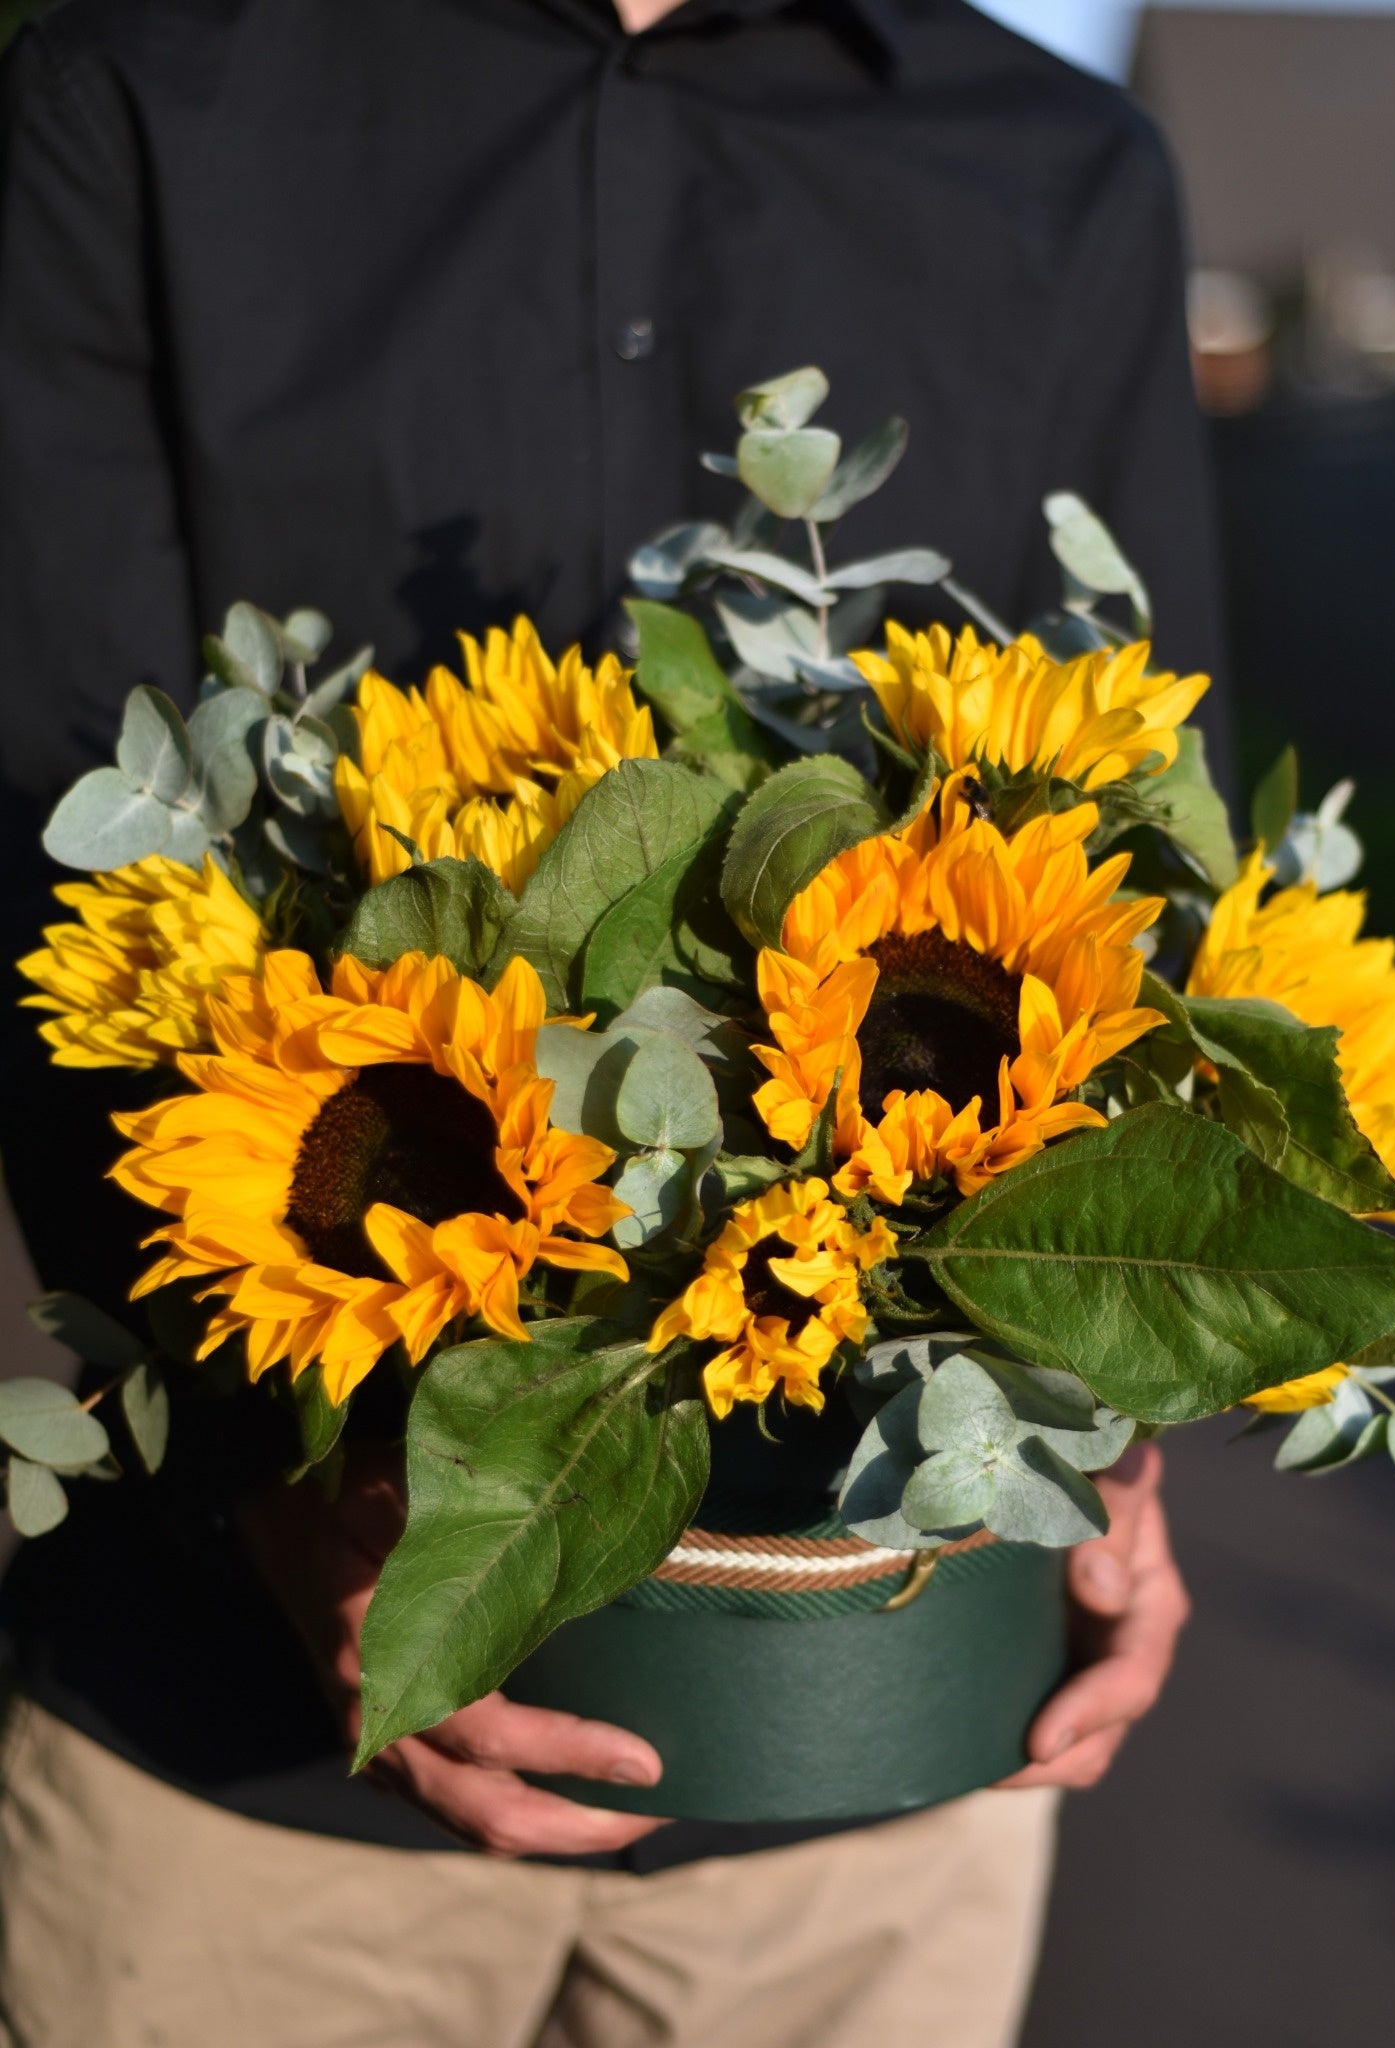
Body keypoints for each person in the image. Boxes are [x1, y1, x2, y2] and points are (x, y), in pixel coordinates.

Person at [0, 0, 1212, 2041]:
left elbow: (1142, 882)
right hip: (236, 1781)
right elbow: (40, 817)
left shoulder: (1056, 163)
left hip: (879, 1751)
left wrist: (1119, 1430)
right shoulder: (135, 104)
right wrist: (277, 1489)